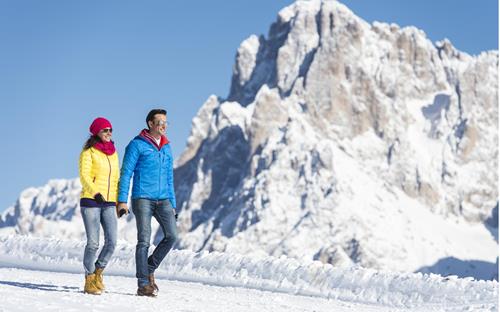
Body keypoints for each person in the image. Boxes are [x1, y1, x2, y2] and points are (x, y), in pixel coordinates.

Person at [117, 109, 178, 297]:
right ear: (150, 124)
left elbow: (169, 177)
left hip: (164, 199)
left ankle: (148, 267)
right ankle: (143, 284)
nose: (164, 125)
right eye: (160, 122)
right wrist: (121, 200)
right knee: (144, 240)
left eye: (166, 122)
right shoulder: (136, 145)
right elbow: (126, 173)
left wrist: (173, 203)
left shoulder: (167, 147)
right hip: (142, 198)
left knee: (172, 236)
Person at [78, 117, 120, 295]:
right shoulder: (88, 152)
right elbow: (84, 176)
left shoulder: (113, 152)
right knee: (93, 243)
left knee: (112, 242)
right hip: (91, 202)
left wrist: (120, 202)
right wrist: (95, 193)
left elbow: (116, 179)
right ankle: (89, 279)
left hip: (109, 203)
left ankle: (98, 273)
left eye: (110, 130)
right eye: (105, 130)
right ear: (97, 132)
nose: (109, 133)